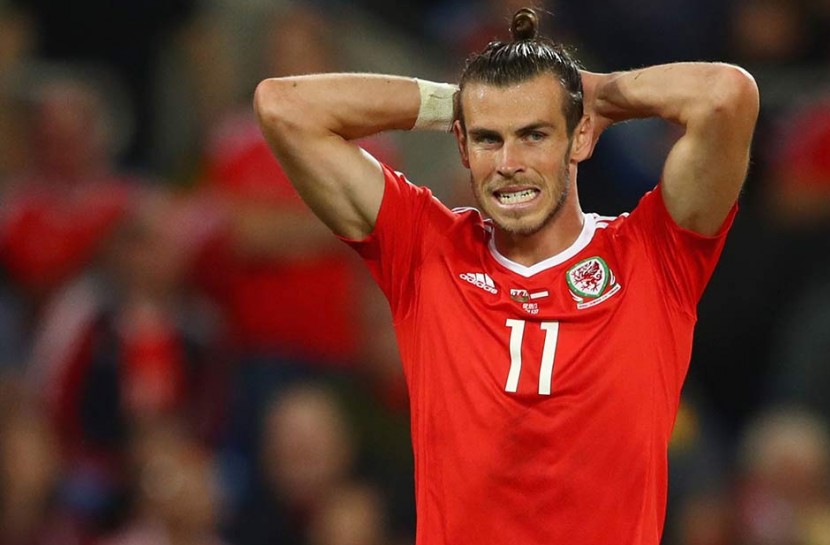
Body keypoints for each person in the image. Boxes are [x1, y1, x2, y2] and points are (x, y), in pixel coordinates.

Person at [253, 8, 758, 545]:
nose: (509, 162)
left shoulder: (654, 256)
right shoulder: (424, 251)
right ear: (462, 146)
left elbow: (725, 95)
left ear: (580, 138)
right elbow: (283, 106)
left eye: (534, 134)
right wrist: (463, 101)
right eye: (488, 139)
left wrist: (597, 94)